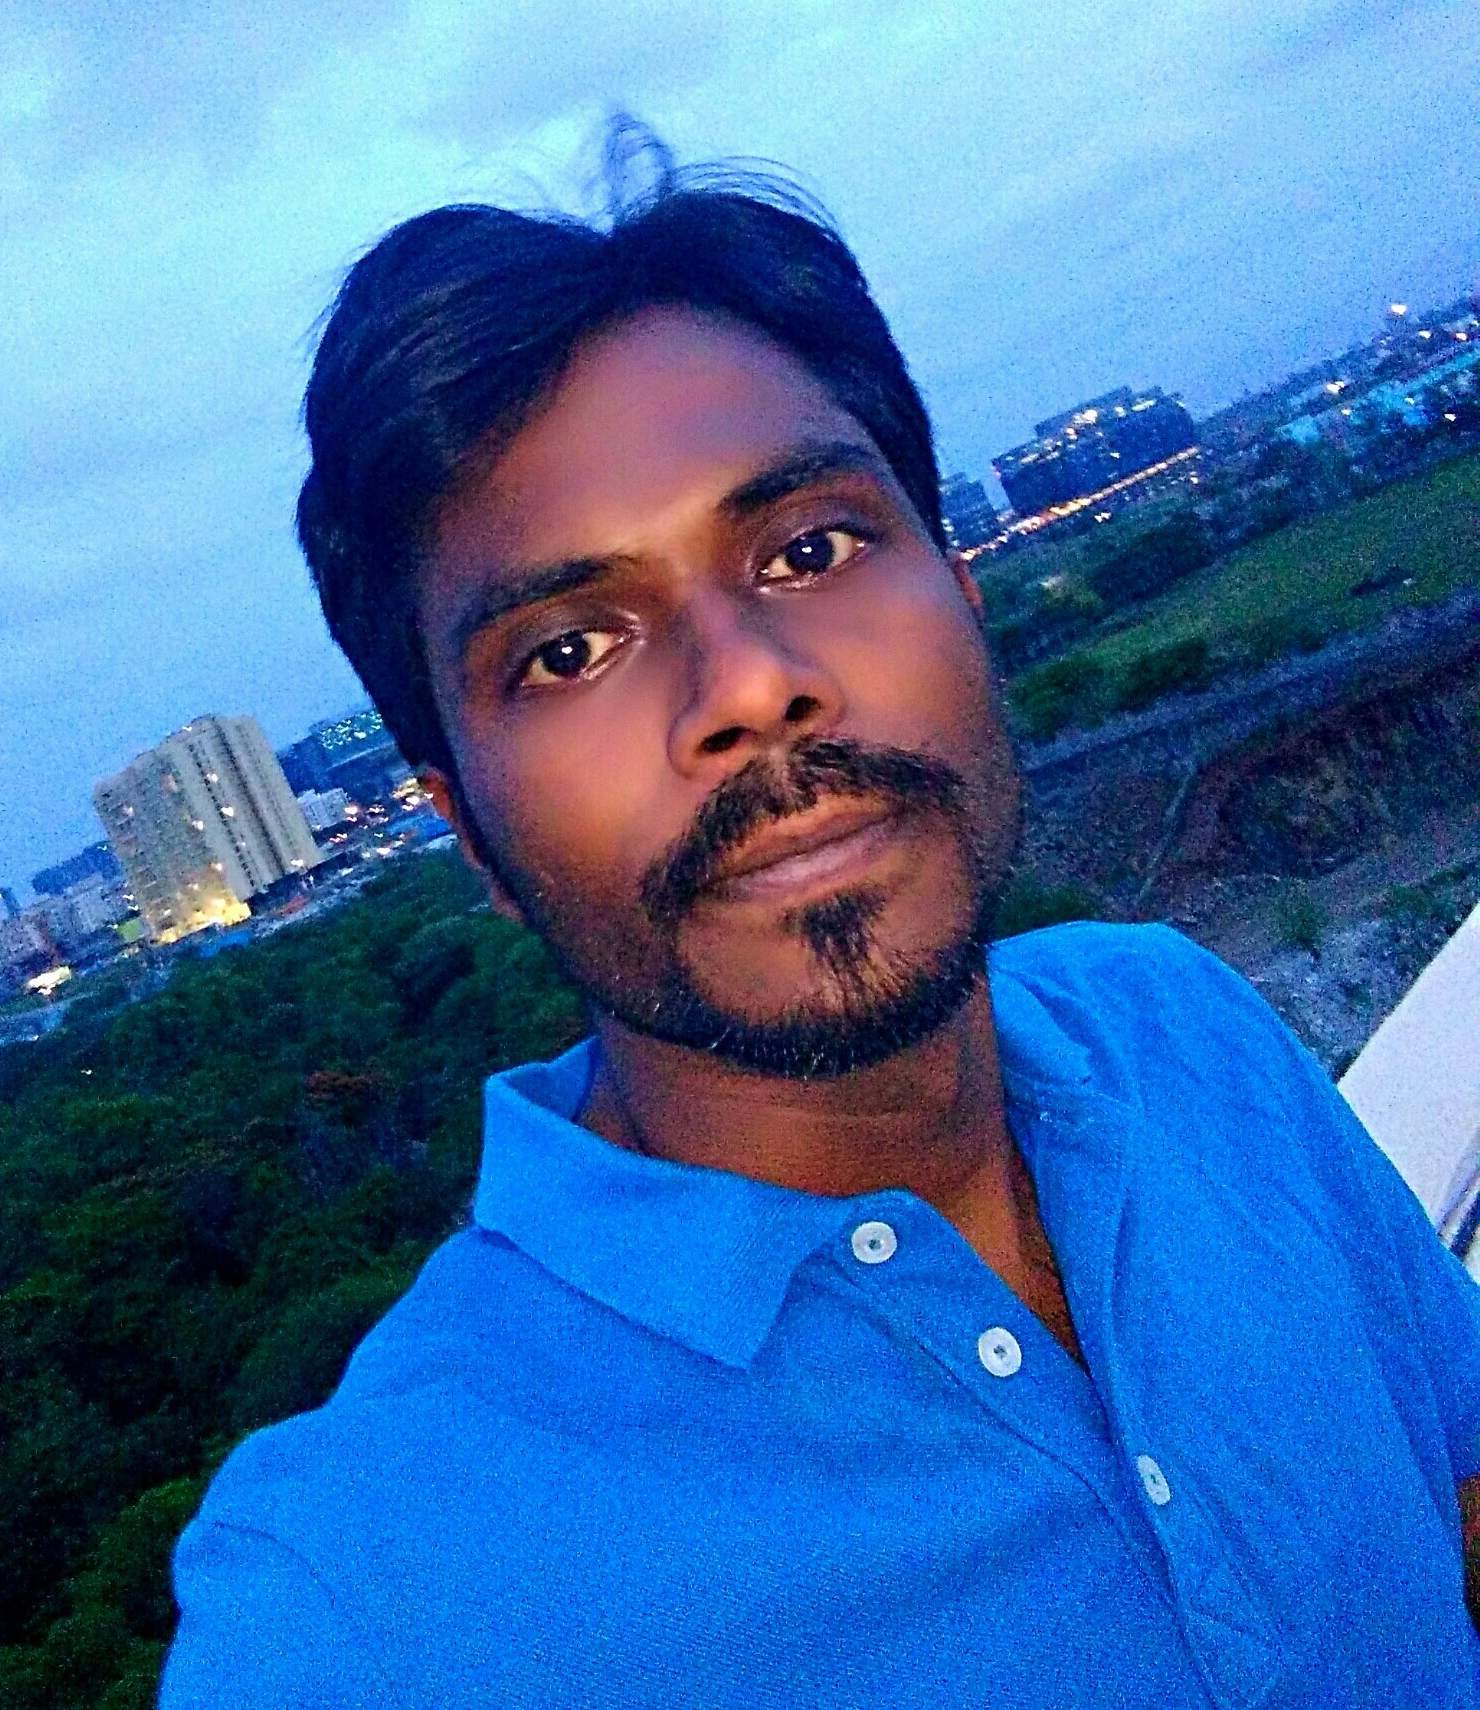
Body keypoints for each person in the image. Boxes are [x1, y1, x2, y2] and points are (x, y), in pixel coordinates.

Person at [161, 131, 1480, 1709]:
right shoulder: (356, 1613)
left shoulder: (1173, 1023)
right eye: (568, 651)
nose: (746, 684)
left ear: (963, 595)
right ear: (473, 839)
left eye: (809, 549)